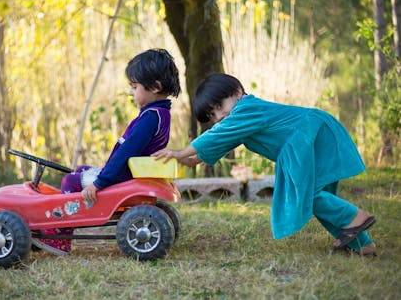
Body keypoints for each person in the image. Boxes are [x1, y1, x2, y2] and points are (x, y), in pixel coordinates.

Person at [152, 73, 377, 256]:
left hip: (309, 135)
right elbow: (215, 144)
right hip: (309, 136)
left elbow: (216, 134)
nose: (219, 115)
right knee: (313, 195)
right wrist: (186, 159)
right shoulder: (239, 121)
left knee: (306, 193)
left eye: (219, 106)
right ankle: (362, 244)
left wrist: (180, 151)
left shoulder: (246, 109)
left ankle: (355, 217)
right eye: (212, 114)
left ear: (238, 93)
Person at [31, 48, 181, 255]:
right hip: (127, 172)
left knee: (70, 182)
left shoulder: (150, 117)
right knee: (81, 170)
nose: (131, 93)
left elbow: (126, 152)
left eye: (134, 87)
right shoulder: (160, 114)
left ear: (155, 87)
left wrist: (101, 182)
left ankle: (59, 234)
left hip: (122, 176)